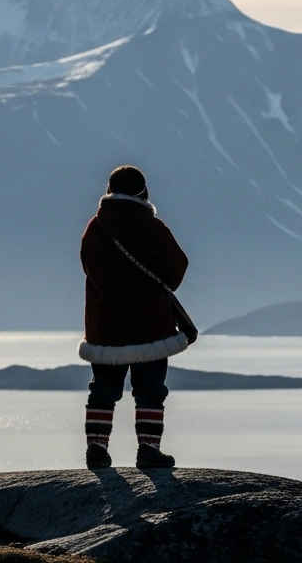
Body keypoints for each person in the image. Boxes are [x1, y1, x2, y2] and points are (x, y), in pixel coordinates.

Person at [77, 165, 197, 470]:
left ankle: (96, 449)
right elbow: (177, 268)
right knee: (150, 391)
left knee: (103, 390)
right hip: (150, 326)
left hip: (105, 326)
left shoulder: (94, 228)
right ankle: (148, 450)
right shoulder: (153, 228)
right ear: (143, 193)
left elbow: (86, 266)